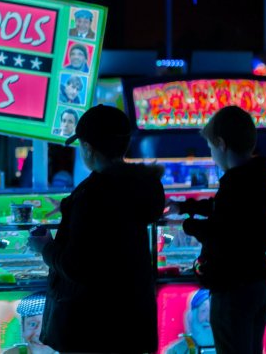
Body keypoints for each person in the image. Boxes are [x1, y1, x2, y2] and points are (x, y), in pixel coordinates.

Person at [28, 104, 165, 353]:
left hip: (92, 326)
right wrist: (70, 209)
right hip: (132, 322)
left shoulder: (93, 196)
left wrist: (45, 247)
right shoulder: (137, 186)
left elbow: (76, 267)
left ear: (88, 149)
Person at [165, 106, 266, 354]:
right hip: (260, 279)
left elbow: (222, 233)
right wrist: (184, 206)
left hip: (235, 285)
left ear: (221, 143)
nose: (212, 154)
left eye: (211, 147)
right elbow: (224, 210)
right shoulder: (259, 175)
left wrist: (185, 225)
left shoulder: (235, 182)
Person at [164, 289, 214, 354]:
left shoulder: (229, 345)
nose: (208, 318)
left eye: (213, 311)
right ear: (191, 317)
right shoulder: (175, 351)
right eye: (203, 311)